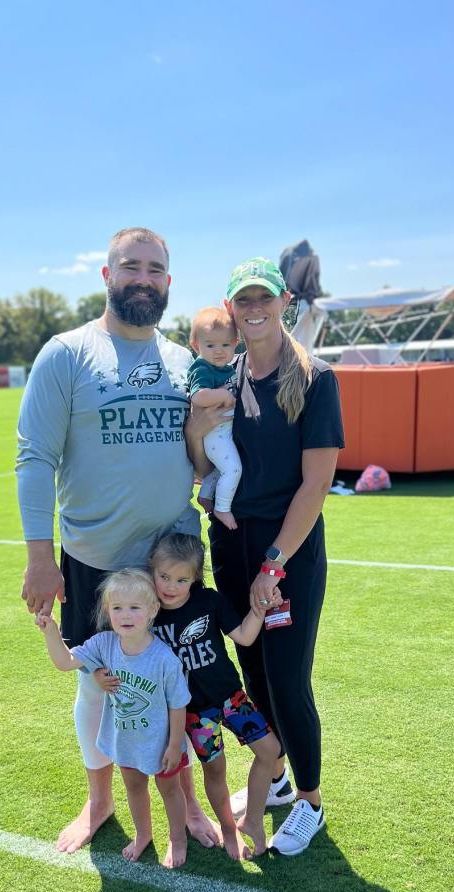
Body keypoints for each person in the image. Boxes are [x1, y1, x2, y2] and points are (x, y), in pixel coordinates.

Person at [17, 226, 223, 854]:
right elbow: (34, 458)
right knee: (97, 684)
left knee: (178, 686)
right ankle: (100, 799)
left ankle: (187, 803)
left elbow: (201, 457)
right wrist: (39, 557)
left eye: (155, 269)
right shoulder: (67, 353)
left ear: (168, 283)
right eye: (130, 266)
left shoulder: (185, 363)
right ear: (107, 276)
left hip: (172, 565)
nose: (142, 277)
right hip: (97, 563)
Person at [187, 256, 345, 856]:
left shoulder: (315, 377)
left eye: (264, 298)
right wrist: (197, 432)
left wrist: (273, 566)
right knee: (251, 670)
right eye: (242, 301)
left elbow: (316, 484)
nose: (254, 309)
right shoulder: (224, 379)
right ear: (230, 310)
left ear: (284, 303)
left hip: (287, 553)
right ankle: (273, 780)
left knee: (286, 677)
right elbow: (205, 470)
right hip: (230, 543)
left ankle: (309, 800)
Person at [36, 569, 191, 868]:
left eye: (135, 607)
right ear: (108, 611)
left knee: (170, 791)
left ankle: (177, 838)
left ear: (152, 610)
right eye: (117, 608)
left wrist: (174, 745)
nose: (125, 615)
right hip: (126, 741)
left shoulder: (164, 659)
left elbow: (178, 704)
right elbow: (65, 662)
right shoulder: (104, 644)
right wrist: (50, 629)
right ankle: (143, 834)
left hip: (160, 744)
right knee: (134, 788)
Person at [148, 533, 282, 859]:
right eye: (164, 576)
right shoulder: (150, 613)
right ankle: (228, 829)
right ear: (152, 570)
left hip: (231, 698)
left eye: (181, 579)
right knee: (216, 770)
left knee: (271, 750)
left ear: (194, 578)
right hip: (194, 713)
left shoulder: (210, 601)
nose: (170, 586)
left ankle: (251, 820)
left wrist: (261, 607)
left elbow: (246, 637)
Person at [186, 307, 240, 529]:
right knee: (233, 469)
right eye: (210, 345)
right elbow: (199, 396)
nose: (219, 351)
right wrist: (224, 395)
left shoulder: (226, 368)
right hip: (215, 433)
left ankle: (206, 496)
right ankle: (223, 508)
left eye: (225, 345)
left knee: (219, 469)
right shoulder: (202, 368)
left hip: (223, 431)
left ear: (235, 343)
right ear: (196, 345)